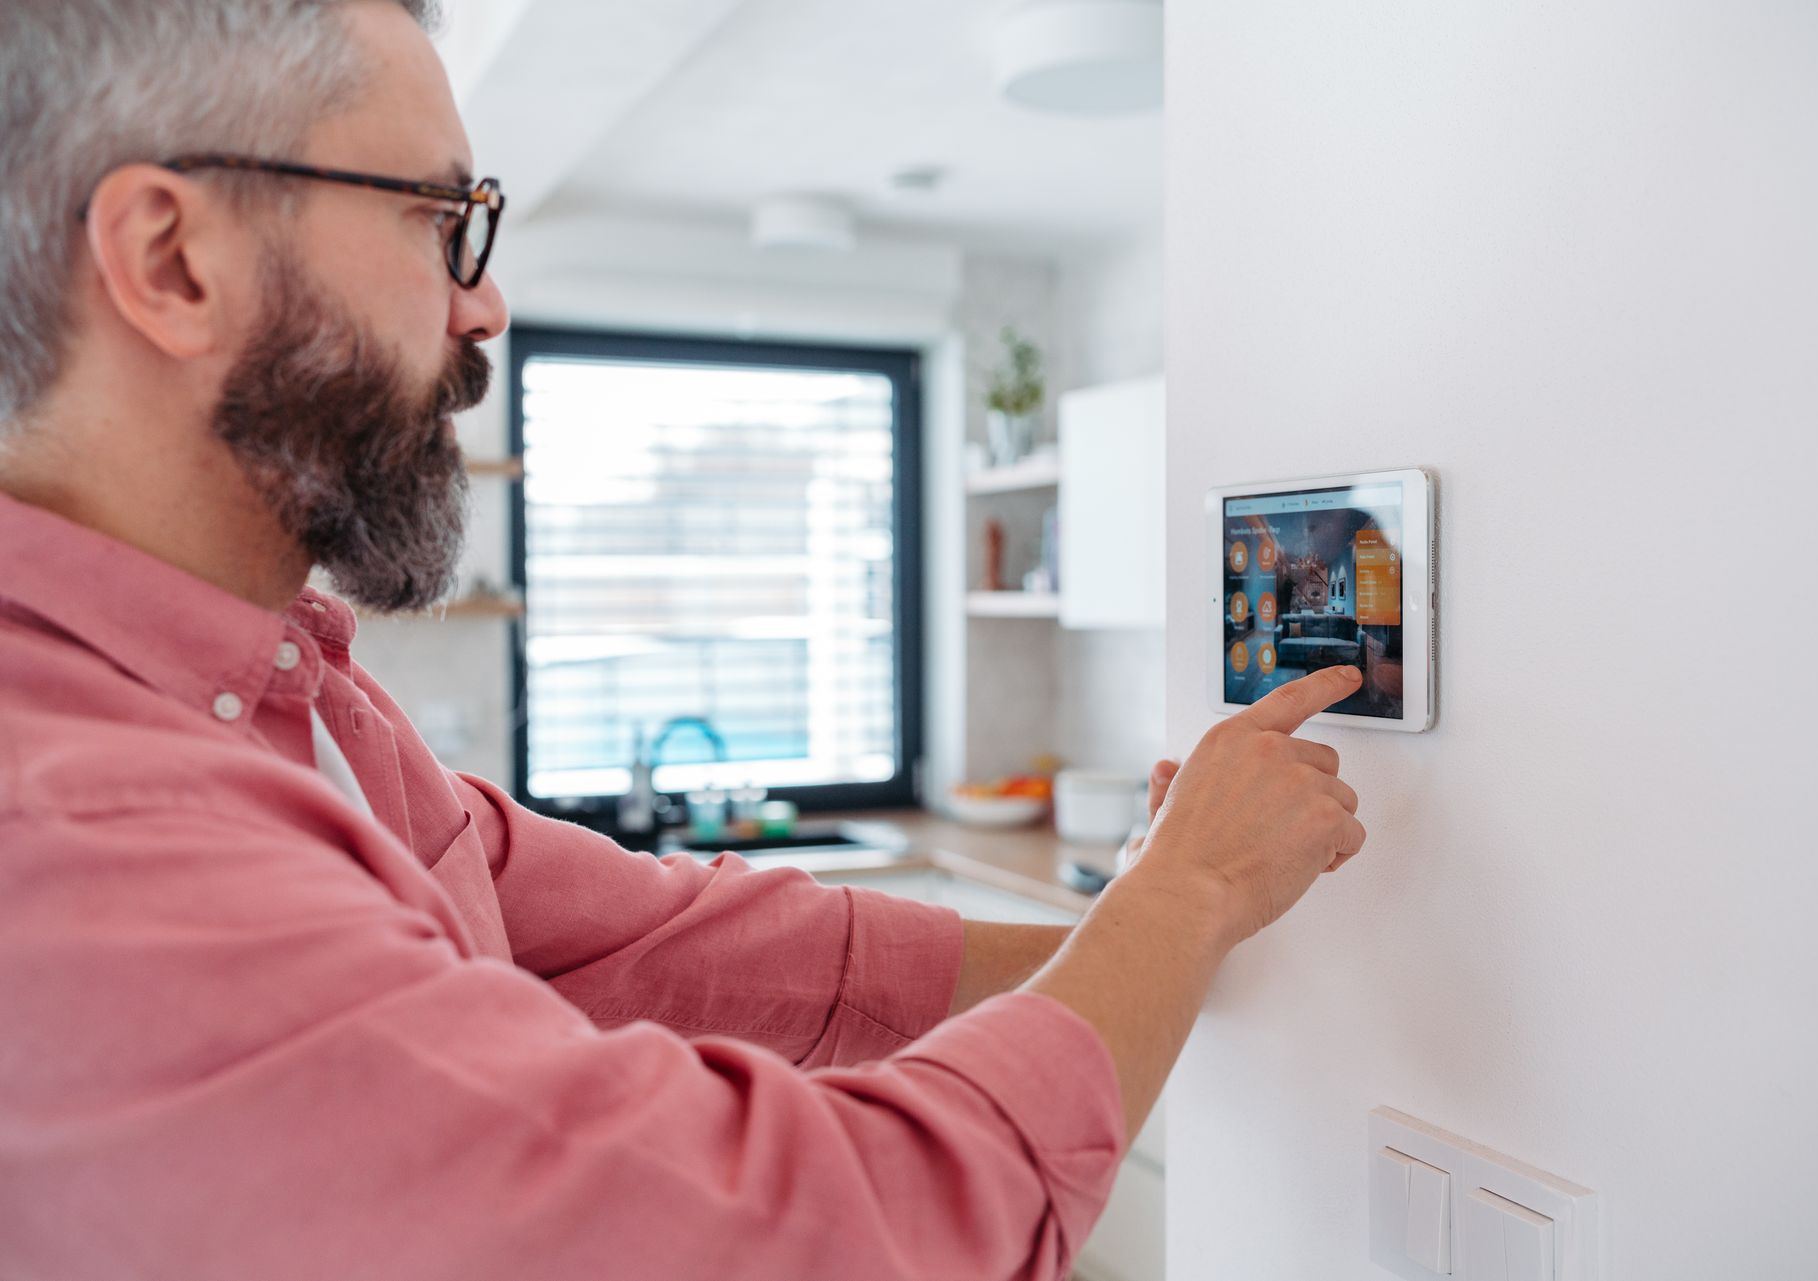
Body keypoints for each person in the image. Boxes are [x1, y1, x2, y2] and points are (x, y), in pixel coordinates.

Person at [0, 3, 1367, 1277]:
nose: (484, 308)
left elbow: (645, 939)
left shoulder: (294, 695)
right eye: (440, 221)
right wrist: (1179, 902)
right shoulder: (93, 843)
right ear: (174, 261)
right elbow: (837, 1226)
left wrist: (1155, 917)